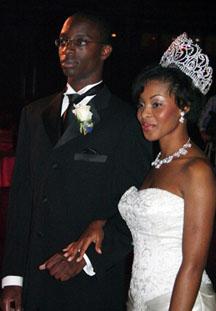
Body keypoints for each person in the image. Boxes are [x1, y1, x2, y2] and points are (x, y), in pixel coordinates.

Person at [0, 11, 152, 311]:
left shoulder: (126, 122)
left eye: (80, 41)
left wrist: (87, 260)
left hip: (90, 287)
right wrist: (12, 279)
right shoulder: (33, 114)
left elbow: (135, 210)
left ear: (105, 51)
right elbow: (21, 203)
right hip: (35, 278)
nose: (67, 49)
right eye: (63, 40)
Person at [64, 33, 216, 310]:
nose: (144, 114)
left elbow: (193, 265)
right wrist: (101, 224)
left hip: (178, 300)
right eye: (141, 104)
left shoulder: (196, 171)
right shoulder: (157, 162)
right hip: (138, 297)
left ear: (184, 107)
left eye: (156, 104)